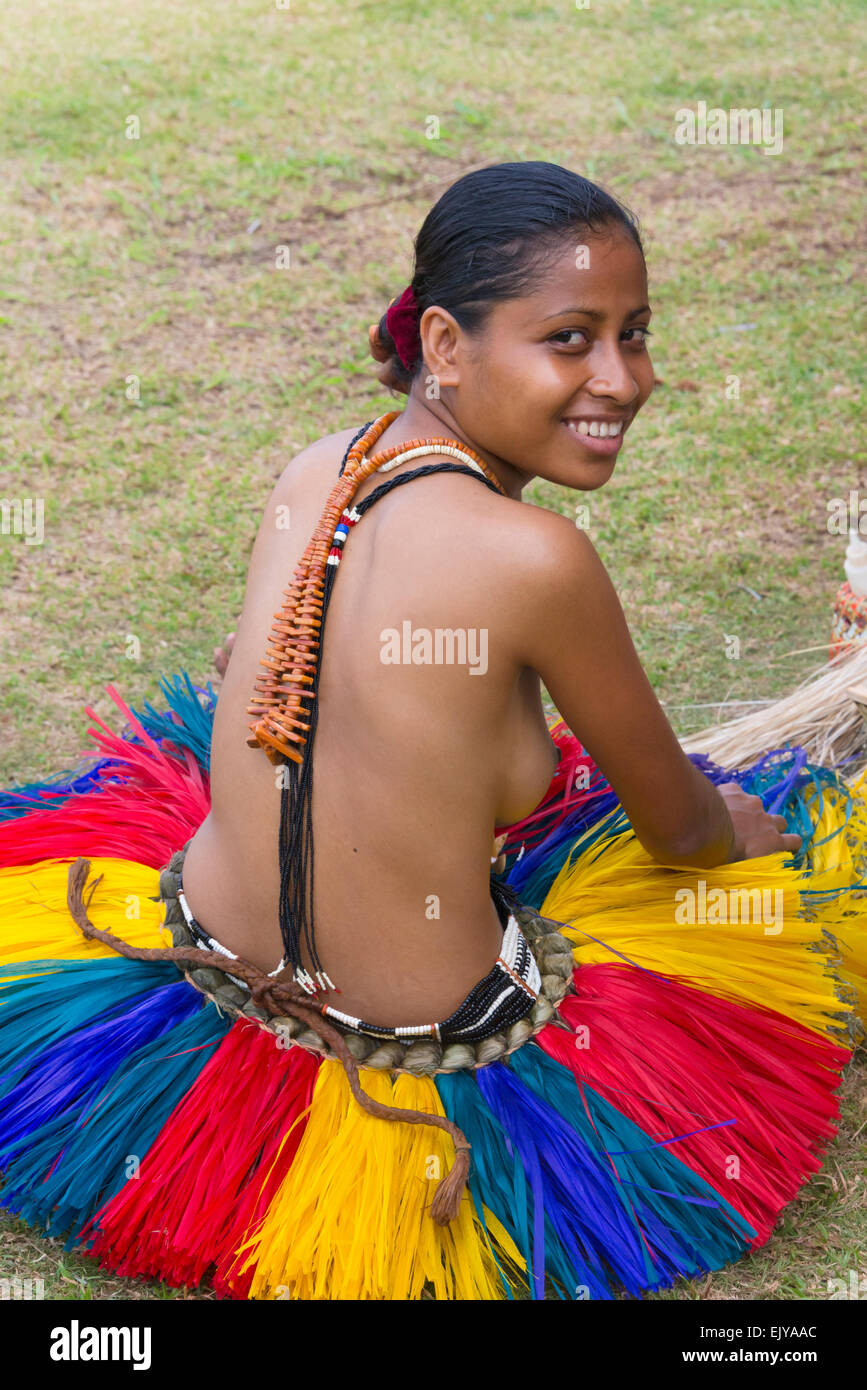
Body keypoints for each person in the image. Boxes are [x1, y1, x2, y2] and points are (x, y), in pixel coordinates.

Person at [0, 161, 863, 1301]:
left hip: (196, 964)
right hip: (427, 1048)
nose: (621, 377)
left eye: (635, 333)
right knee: (783, 854)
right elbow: (682, 830)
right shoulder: (539, 560)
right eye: (570, 338)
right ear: (446, 347)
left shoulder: (319, 468)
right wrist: (750, 840)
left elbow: (248, 677)